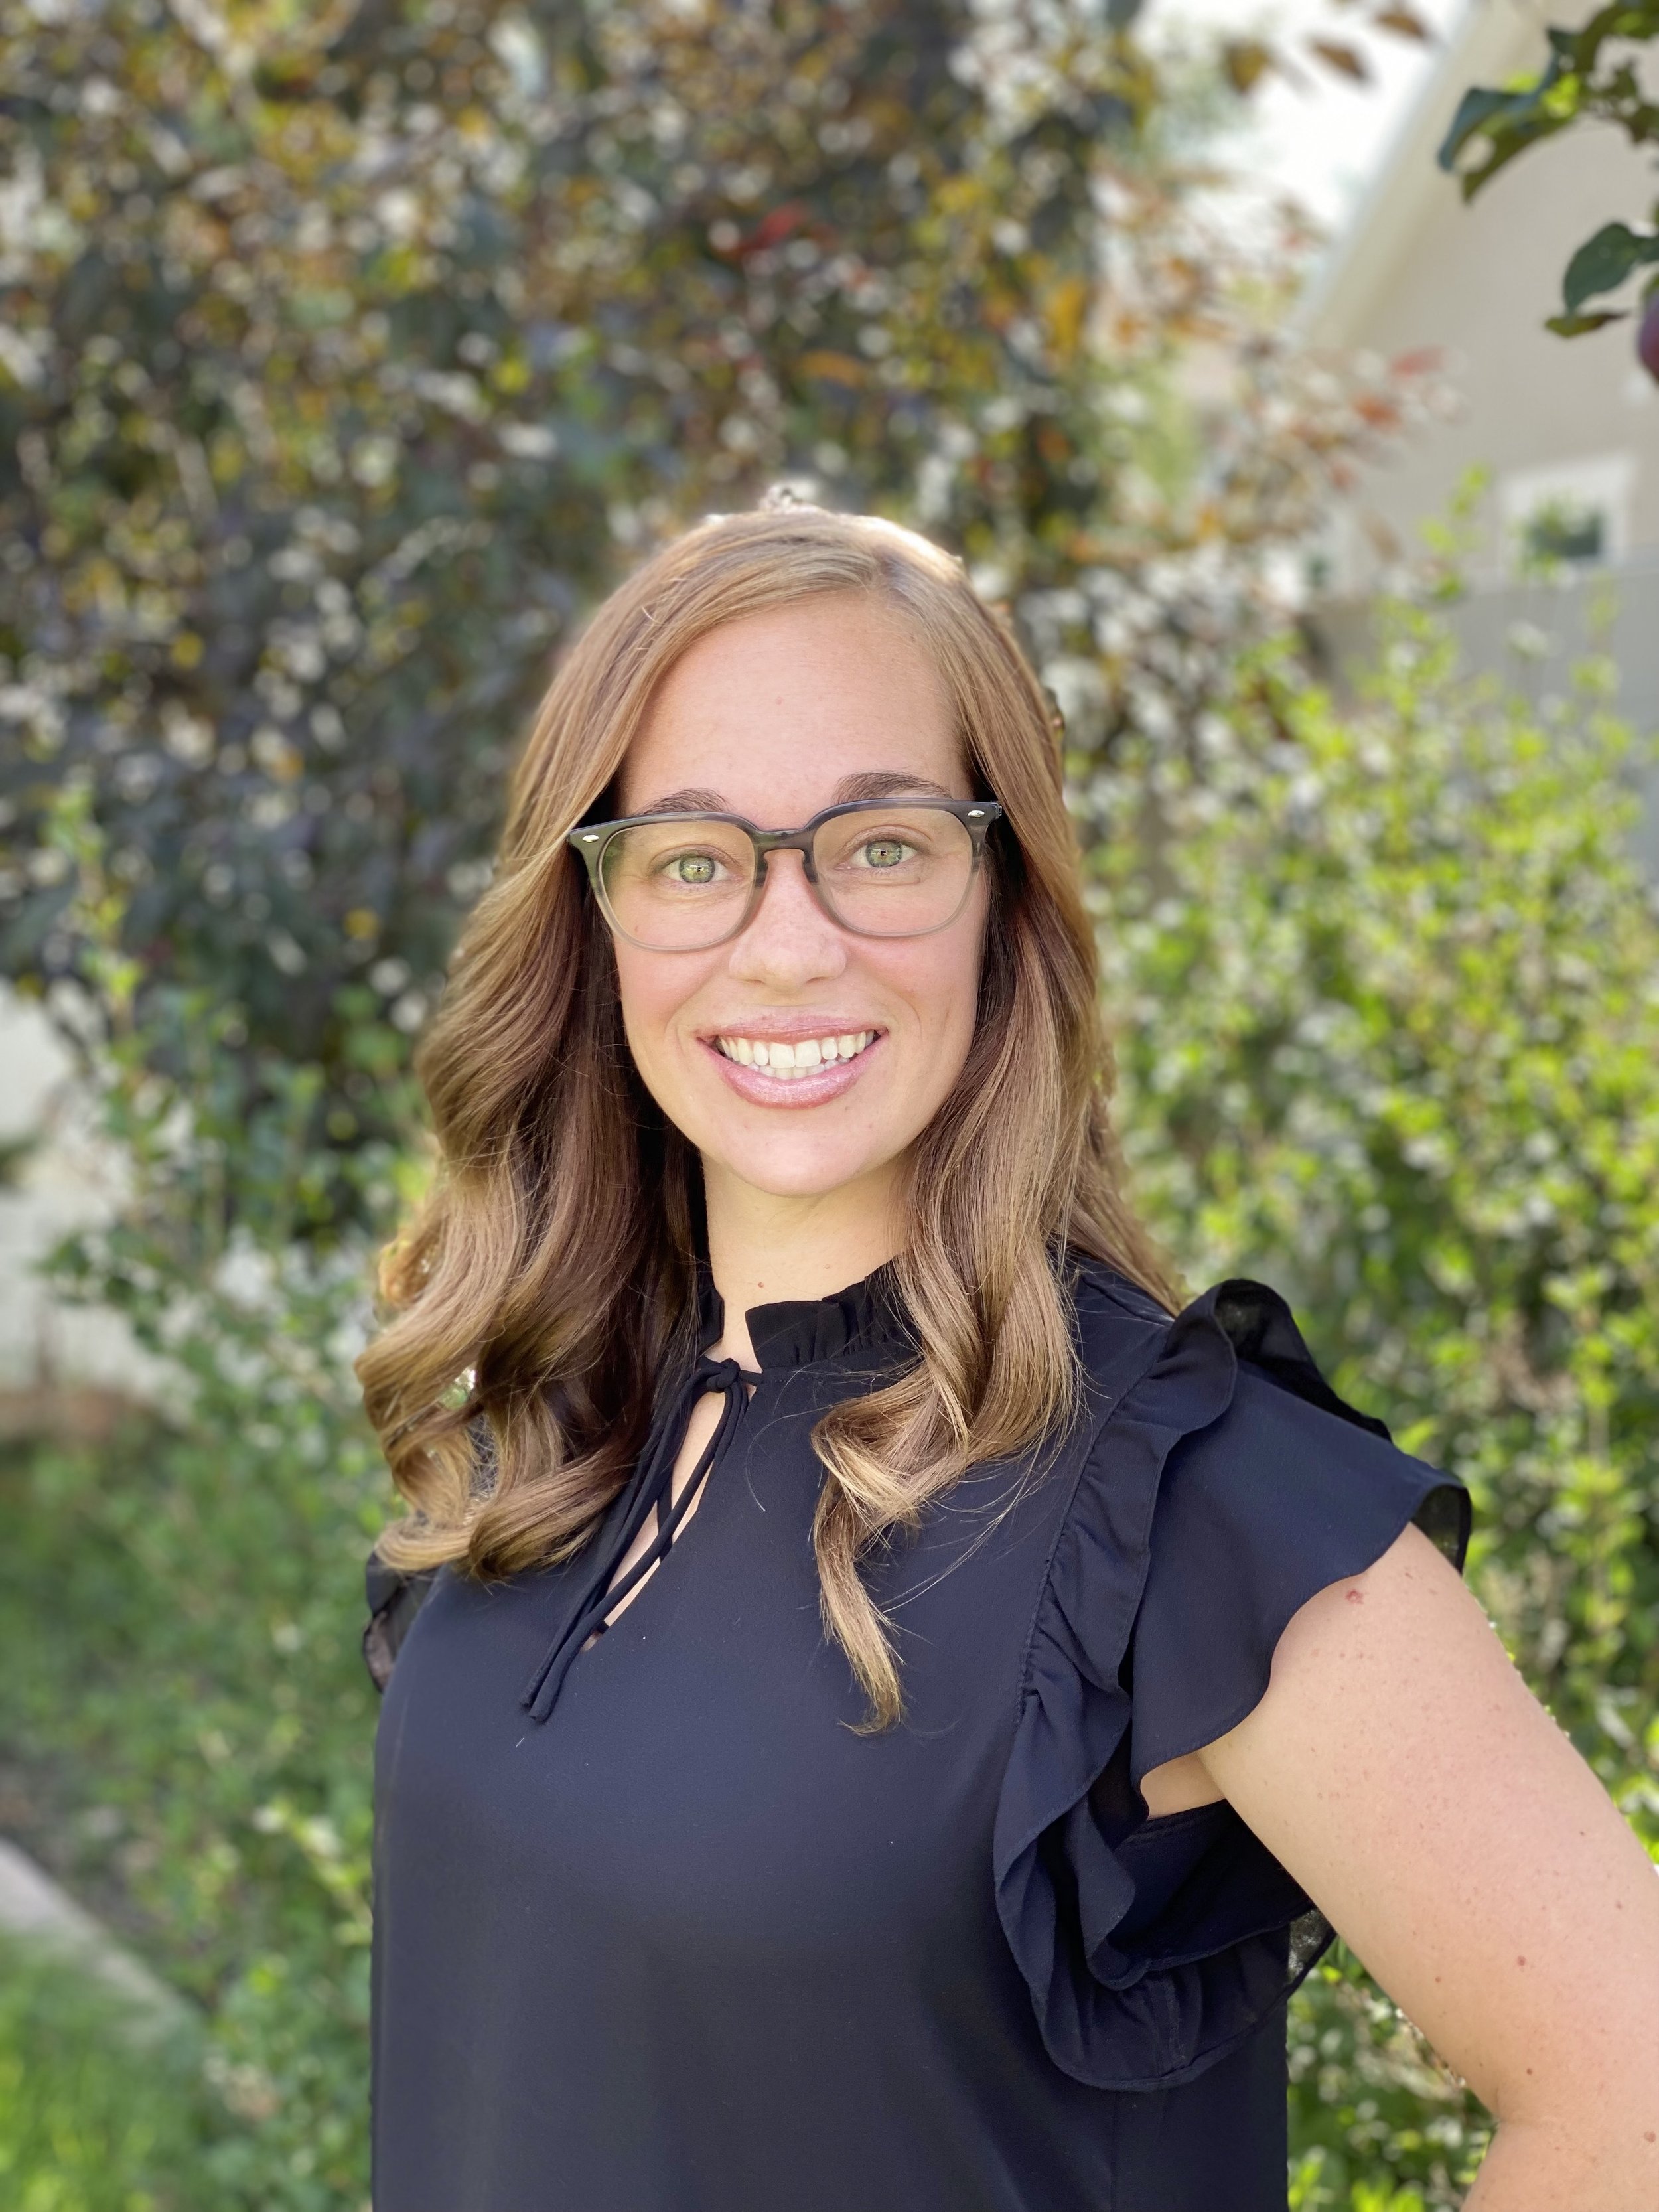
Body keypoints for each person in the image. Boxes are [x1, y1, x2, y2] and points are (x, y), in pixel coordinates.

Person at [356, 502, 1659, 2212]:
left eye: (883, 844)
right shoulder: (558, 1410)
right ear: (594, 917)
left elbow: (1630, 2095)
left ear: (1004, 893)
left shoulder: (1191, 1503)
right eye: (692, 857)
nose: (789, 941)